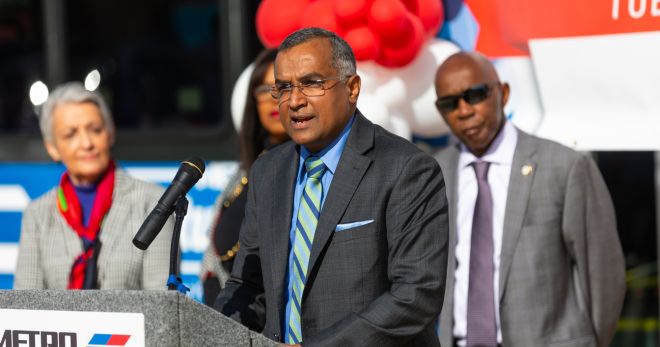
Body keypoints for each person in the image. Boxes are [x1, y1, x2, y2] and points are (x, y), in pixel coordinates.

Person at [215, 27, 449, 346]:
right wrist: (214, 332)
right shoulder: (268, 171)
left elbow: (415, 296)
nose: (294, 100)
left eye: (312, 83)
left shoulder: (406, 168)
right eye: (283, 87)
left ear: (352, 88)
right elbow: (248, 284)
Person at [433, 51, 626, 347]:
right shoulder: (434, 174)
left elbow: (603, 277)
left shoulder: (565, 166)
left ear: (504, 93)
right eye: (449, 103)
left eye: (475, 95)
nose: (463, 110)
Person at [14, 82, 173, 290]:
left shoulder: (153, 203)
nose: (87, 143)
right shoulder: (37, 214)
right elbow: (26, 306)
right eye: (71, 134)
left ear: (110, 134)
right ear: (52, 147)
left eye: (95, 130)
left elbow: (162, 304)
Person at [200, 48, 289, 306]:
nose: (273, 98)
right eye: (263, 90)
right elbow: (213, 251)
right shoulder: (246, 170)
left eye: (282, 87)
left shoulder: (308, 166)